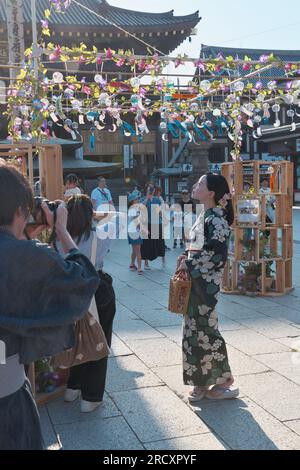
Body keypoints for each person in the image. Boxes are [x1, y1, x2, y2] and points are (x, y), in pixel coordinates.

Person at [0, 167, 99, 450]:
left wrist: (21, 237)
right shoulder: (26, 255)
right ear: (21, 211)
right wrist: (61, 230)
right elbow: (83, 280)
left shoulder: (21, 251)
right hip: (6, 398)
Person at [177, 173, 239, 402]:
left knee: (206, 331)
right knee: (193, 330)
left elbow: (216, 255)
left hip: (205, 285)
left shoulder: (218, 219)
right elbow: (197, 247)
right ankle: (201, 381)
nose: (195, 186)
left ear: (211, 193)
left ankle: (225, 379)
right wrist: (185, 256)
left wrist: (190, 263)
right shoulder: (206, 215)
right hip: (196, 281)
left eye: (200, 184)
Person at [57, 195, 117, 413]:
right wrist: (94, 216)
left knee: (77, 338)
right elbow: (113, 218)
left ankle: (72, 388)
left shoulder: (59, 238)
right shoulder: (100, 234)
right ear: (90, 214)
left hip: (70, 292)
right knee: (99, 341)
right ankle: (91, 397)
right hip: (97, 288)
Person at [141, 183, 166, 269]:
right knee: (147, 243)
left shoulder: (157, 200)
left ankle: (163, 260)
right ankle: (146, 263)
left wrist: (163, 218)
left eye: (152, 189)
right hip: (148, 224)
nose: (151, 191)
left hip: (157, 223)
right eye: (149, 189)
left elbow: (159, 212)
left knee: (160, 242)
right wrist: (147, 198)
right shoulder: (144, 199)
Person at [128, 190, 143, 275]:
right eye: (136, 199)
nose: (138, 200)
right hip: (135, 231)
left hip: (132, 231)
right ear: (132, 201)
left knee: (134, 250)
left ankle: (132, 264)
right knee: (138, 250)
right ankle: (140, 267)